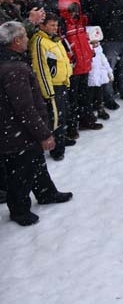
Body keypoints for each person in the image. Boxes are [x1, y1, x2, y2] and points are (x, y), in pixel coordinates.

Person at [0, 21, 72, 226]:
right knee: (21, 172)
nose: (27, 39)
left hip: (16, 129)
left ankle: (46, 192)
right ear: (15, 41)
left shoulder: (11, 62)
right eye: (24, 36)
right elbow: (24, 108)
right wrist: (44, 133)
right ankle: (19, 210)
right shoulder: (13, 69)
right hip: (16, 131)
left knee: (36, 162)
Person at [29, 12, 74, 161]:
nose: (55, 28)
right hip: (52, 87)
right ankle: (57, 148)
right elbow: (41, 69)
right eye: (52, 25)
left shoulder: (54, 39)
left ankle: (61, 138)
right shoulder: (39, 42)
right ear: (42, 26)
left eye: (56, 25)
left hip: (62, 83)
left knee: (63, 114)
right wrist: (48, 92)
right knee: (55, 119)